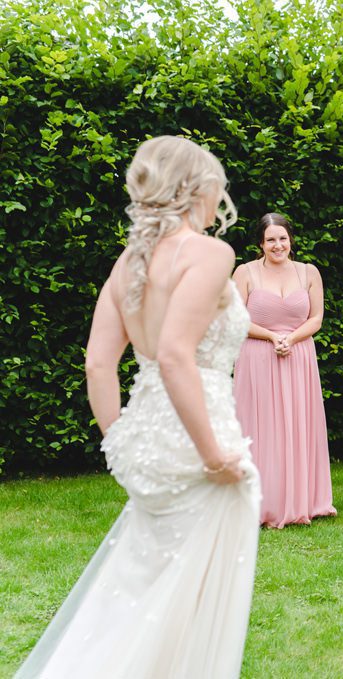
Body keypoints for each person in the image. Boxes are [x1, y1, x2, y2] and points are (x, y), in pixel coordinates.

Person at [17, 135, 262, 677]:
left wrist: (120, 443)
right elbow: (176, 356)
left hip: (147, 443)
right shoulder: (211, 253)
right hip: (198, 442)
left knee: (136, 592)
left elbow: (98, 365)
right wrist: (215, 455)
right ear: (198, 188)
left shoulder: (127, 263)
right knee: (188, 607)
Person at [232, 212, 335, 528]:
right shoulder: (244, 272)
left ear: (291, 240)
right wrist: (272, 336)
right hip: (257, 357)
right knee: (259, 427)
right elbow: (236, 319)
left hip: (298, 355)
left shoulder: (308, 273)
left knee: (296, 425)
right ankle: (259, 503)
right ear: (261, 244)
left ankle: (303, 500)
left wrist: (291, 338)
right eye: (271, 240)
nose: (278, 245)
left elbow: (316, 318)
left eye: (283, 238)